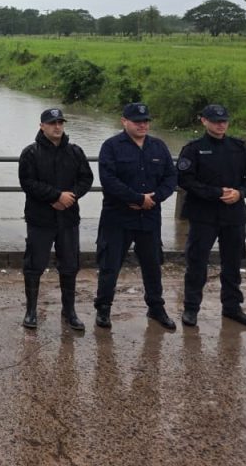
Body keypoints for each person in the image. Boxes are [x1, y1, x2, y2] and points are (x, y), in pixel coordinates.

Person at [177, 104, 246, 328]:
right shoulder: (193, 149)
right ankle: (191, 308)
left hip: (234, 215)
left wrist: (241, 192)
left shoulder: (239, 147)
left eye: (224, 120)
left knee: (233, 264)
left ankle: (232, 308)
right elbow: (185, 179)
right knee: (197, 263)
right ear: (203, 121)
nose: (221, 124)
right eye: (215, 120)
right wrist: (215, 193)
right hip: (203, 215)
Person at [94, 102, 178, 331]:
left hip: (149, 218)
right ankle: (103, 308)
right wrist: (137, 198)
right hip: (117, 218)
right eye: (137, 121)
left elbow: (171, 178)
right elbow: (108, 180)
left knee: (152, 265)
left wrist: (154, 198)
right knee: (110, 265)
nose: (143, 125)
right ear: (124, 121)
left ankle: (156, 308)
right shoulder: (111, 146)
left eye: (146, 121)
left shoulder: (159, 147)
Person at [18, 107, 94, 330]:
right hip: (40, 219)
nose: (57, 126)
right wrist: (55, 196)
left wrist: (71, 196)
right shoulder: (30, 153)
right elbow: (28, 182)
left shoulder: (75, 152)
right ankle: (31, 311)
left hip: (68, 218)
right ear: (42, 126)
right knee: (34, 265)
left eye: (60, 122)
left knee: (70, 265)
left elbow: (86, 178)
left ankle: (69, 310)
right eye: (52, 123)